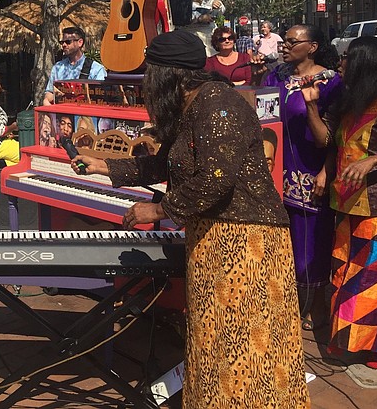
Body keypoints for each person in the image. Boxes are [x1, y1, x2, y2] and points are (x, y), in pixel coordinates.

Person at [71, 30, 309, 408]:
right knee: (213, 340)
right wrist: (106, 166)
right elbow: (166, 163)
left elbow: (215, 178)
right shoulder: (191, 106)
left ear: (171, 73)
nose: (146, 81)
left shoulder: (218, 103)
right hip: (215, 236)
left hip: (247, 243)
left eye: (150, 71)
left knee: (241, 345)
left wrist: (159, 209)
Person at [263, 23, 342, 331]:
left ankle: (313, 304)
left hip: (312, 171)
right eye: (283, 41)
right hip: (276, 171)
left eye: (291, 41)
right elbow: (263, 117)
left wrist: (327, 169)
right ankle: (283, 301)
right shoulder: (276, 77)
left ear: (311, 47)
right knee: (281, 239)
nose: (284, 46)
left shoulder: (332, 82)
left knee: (312, 240)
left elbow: (338, 134)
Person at [313, 36, 377, 369]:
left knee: (371, 278)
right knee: (343, 270)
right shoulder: (350, 100)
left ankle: (374, 349)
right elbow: (332, 143)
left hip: (375, 208)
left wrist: (372, 161)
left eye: (347, 58)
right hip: (345, 202)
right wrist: (326, 172)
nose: (341, 63)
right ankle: (348, 341)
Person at [43, 26, 106, 105]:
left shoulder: (96, 69)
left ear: (80, 42)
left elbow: (102, 98)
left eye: (68, 42)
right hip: (61, 113)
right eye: (62, 42)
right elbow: (49, 92)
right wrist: (47, 101)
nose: (64, 45)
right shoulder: (58, 67)